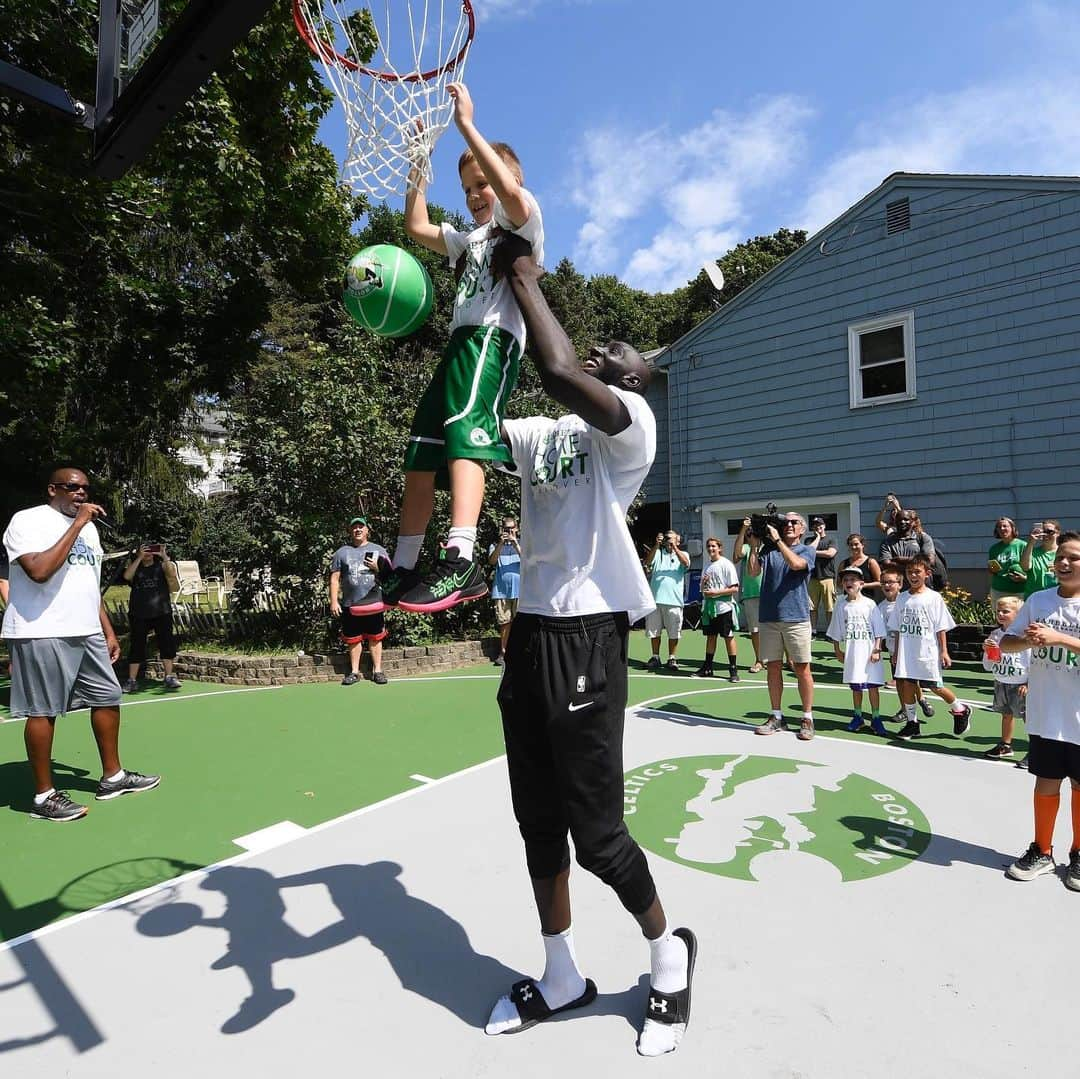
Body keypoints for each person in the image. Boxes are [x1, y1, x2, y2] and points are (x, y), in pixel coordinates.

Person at [485, 237, 696, 1057]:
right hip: (531, 633)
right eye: (599, 342)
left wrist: (528, 277)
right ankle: (562, 973)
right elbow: (478, 415)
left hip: (588, 633)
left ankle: (666, 955)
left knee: (597, 833)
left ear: (638, 375)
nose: (609, 349)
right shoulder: (542, 433)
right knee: (538, 822)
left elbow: (562, 371)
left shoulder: (632, 425)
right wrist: (484, 300)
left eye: (624, 349)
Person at [383, 81, 544, 616]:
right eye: (468, 188)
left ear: (509, 179)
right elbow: (415, 225)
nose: (476, 194)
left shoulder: (523, 218)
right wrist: (416, 163)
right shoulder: (468, 239)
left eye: (483, 183)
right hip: (458, 345)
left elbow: (513, 199)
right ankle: (405, 563)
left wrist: (467, 127)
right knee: (422, 454)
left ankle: (462, 555)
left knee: (465, 438)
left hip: (491, 341)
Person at [2, 467, 160, 821]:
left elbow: (87, 583)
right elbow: (39, 571)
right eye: (73, 487)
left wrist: (106, 629)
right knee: (42, 710)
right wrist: (76, 526)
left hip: (85, 629)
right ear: (52, 488)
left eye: (85, 488)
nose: (81, 494)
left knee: (107, 696)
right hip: (40, 629)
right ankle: (44, 798)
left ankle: (113, 777)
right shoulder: (27, 521)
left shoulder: (89, 530)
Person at [999, 530, 1080, 889]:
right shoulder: (1038, 599)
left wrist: (1060, 638)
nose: (1063, 562)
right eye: (1060, 556)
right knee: (1046, 781)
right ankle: (1042, 850)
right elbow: (1006, 643)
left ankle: (1078, 854)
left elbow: (1060, 640)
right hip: (1047, 711)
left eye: (1073, 557)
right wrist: (1026, 639)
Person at [886, 555, 972, 740]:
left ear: (927, 574)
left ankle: (960, 709)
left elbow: (941, 627)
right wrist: (896, 652)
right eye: (909, 572)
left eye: (917, 572)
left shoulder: (934, 598)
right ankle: (912, 724)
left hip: (927, 652)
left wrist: (944, 651)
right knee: (908, 685)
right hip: (907, 653)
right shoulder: (902, 598)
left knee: (934, 686)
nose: (913, 576)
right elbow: (899, 628)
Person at [751, 514, 817, 741]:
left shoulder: (806, 550)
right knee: (773, 668)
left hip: (796, 618)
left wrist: (778, 541)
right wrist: (753, 546)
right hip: (769, 617)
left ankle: (807, 717)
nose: (789, 525)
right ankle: (776, 716)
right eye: (785, 522)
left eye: (794, 523)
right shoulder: (768, 550)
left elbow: (797, 565)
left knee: (802, 669)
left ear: (802, 530)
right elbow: (752, 572)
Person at [328, 517, 389, 686]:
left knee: (375, 637)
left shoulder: (379, 550)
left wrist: (377, 568)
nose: (358, 530)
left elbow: (390, 575)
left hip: (374, 602)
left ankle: (377, 671)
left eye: (361, 527)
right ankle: (354, 673)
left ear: (367, 530)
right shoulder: (342, 552)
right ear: (350, 531)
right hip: (350, 604)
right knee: (353, 639)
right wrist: (334, 601)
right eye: (354, 527)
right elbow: (334, 579)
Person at [827, 566, 888, 736]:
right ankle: (858, 716)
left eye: (852, 580)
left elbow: (879, 630)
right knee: (856, 687)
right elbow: (836, 629)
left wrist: (877, 649)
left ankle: (876, 718)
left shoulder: (870, 604)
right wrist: (837, 649)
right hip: (853, 654)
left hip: (870, 654)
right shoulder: (842, 606)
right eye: (846, 580)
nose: (849, 583)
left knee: (873, 686)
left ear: (861, 583)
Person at [122, 542, 181, 692]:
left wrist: (164, 556)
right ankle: (132, 680)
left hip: (162, 612)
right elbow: (127, 576)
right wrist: (139, 558)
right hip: (139, 613)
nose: (148, 553)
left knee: (166, 644)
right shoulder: (136, 568)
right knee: (137, 645)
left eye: (150, 550)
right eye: (144, 550)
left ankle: (169, 677)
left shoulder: (161, 566)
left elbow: (172, 574)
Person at [982, 595, 1029, 761]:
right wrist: (988, 651)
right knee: (1006, 714)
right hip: (1001, 682)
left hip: (1020, 685)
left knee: (1028, 718)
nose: (1000, 614)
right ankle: (1005, 745)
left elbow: (1032, 661)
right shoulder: (994, 635)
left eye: (1006, 611)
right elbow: (988, 665)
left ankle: (1036, 750)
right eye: (998, 611)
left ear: (1018, 614)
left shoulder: (1023, 636)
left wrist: (1028, 682)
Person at [695, 537, 740, 681]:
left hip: (724, 607)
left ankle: (733, 669)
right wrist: (703, 585)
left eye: (713, 546)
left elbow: (735, 588)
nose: (711, 549)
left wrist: (716, 593)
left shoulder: (726, 564)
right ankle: (708, 667)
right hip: (709, 608)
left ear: (719, 548)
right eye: (708, 546)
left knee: (728, 636)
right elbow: (702, 588)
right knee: (711, 637)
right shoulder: (707, 566)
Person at [644, 530, 690, 671]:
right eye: (667, 538)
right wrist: (656, 545)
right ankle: (655, 656)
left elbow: (686, 563)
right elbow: (648, 562)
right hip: (656, 600)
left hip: (674, 601)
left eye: (671, 538)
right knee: (654, 631)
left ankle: (672, 657)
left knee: (674, 632)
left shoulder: (684, 554)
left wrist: (675, 548)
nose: (668, 540)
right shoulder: (658, 553)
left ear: (678, 540)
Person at [487, 515, 521, 666]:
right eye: (506, 529)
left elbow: (528, 560)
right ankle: (504, 653)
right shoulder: (495, 545)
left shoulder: (523, 544)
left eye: (511, 528)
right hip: (501, 590)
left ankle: (521, 652)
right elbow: (492, 561)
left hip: (521, 591)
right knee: (504, 623)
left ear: (517, 529)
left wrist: (515, 545)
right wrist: (501, 543)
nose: (509, 531)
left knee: (521, 623)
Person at [734, 518, 764, 673]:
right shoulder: (746, 546)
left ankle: (789, 659)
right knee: (755, 630)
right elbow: (736, 556)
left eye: (754, 532)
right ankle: (759, 660)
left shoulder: (768, 547)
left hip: (769, 594)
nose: (752, 535)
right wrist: (743, 530)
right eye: (749, 533)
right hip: (751, 594)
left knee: (779, 627)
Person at [805, 516, 837, 638]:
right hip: (812, 577)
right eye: (815, 525)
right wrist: (817, 538)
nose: (818, 527)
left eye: (820, 525)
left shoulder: (831, 540)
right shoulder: (809, 540)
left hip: (827, 577)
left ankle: (830, 633)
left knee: (830, 607)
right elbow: (807, 550)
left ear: (824, 526)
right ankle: (813, 631)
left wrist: (813, 552)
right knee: (812, 607)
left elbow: (830, 553)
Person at [987, 516, 1027, 603]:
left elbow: (1031, 567)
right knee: (1000, 616)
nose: (1002, 529)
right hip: (998, 590)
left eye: (1005, 526)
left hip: (1019, 591)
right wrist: (992, 569)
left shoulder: (1023, 545)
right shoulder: (994, 549)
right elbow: (991, 570)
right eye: (999, 527)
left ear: (1012, 528)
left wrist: (1024, 578)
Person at [1020, 519, 1061, 598]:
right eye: (1043, 531)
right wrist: (1031, 542)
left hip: (1056, 598)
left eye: (1050, 531)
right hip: (1034, 597)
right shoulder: (1032, 552)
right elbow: (1025, 567)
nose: (1046, 534)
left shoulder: (1062, 552)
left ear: (1058, 533)